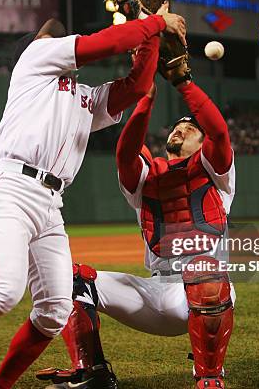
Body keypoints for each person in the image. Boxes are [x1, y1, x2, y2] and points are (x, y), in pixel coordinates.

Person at [0, 5, 188, 389]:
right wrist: (153, 23)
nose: (55, 42)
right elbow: (100, 43)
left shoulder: (82, 97)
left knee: (54, 312)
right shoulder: (33, 62)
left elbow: (137, 87)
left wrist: (150, 39)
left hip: (51, 204)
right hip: (14, 189)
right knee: (4, 292)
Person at [40, 61, 236, 388]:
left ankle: (209, 377)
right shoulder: (146, 177)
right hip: (158, 292)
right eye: (177, 126)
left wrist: (183, 83)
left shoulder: (217, 173)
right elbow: (126, 154)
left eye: (191, 129)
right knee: (70, 280)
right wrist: (145, 100)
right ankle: (91, 372)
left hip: (205, 295)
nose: (181, 129)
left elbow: (219, 131)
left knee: (206, 273)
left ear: (204, 143)